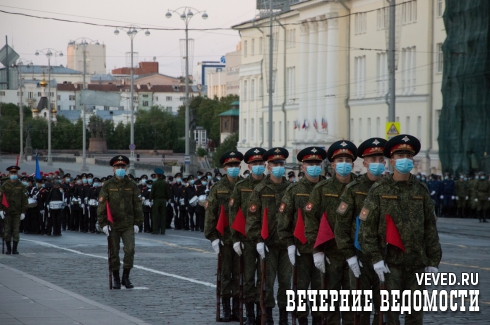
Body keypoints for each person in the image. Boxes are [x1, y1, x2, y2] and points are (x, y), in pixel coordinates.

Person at [360, 134, 442, 324]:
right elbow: (367, 229)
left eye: (408, 155)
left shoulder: (421, 190)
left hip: (417, 264)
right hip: (390, 264)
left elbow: (430, 228)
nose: (404, 160)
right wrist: (376, 258)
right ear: (392, 161)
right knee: (391, 316)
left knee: (415, 315)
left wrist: (433, 260)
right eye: (400, 156)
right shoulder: (379, 190)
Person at [304, 140, 358, 325]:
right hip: (330, 254)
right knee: (330, 303)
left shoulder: (360, 188)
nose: (344, 164)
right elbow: (311, 221)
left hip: (356, 253)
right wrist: (316, 250)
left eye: (347, 160)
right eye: (340, 160)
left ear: (353, 164)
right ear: (333, 165)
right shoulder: (322, 189)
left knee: (353, 304)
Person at [334, 137, 388, 325]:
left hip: (388, 255)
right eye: (373, 160)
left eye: (380, 159)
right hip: (360, 255)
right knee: (359, 307)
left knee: (385, 308)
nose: (377, 163)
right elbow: (341, 226)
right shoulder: (353, 189)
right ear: (364, 163)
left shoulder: (391, 187)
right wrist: (349, 255)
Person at [277, 146, 327, 325]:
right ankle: (301, 319)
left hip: (324, 248)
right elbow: (284, 220)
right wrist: (289, 244)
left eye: (317, 163)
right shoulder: (294, 190)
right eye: (309, 163)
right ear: (303, 166)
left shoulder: (328, 188)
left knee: (321, 289)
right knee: (300, 288)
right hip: (302, 248)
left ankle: (318, 319)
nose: (314, 166)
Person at [246, 147, 291, 325]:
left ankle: (284, 316)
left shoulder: (291, 189)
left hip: (287, 245)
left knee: (287, 284)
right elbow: (252, 219)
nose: (279, 166)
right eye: (275, 163)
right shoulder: (260, 190)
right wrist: (258, 240)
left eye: (281, 163)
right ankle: (268, 315)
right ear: (268, 166)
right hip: (268, 245)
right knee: (267, 282)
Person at [205, 150, 244, 322]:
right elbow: (211, 214)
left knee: (240, 274)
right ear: (224, 168)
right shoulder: (217, 188)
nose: (234, 168)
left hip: (243, 239)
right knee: (226, 274)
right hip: (224, 238)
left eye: (236, 165)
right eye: (230, 166)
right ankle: (226, 309)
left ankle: (238, 308)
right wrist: (212, 236)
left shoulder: (245, 185)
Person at [229, 147, 267, 324]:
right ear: (249, 167)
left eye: (261, 163)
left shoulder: (270, 185)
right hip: (247, 239)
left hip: (268, 240)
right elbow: (233, 214)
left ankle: (262, 312)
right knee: (249, 277)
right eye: (255, 164)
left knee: (265, 277)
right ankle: (250, 312)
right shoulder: (241, 186)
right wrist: (235, 238)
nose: (258, 166)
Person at [97, 155, 143, 289]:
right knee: (114, 253)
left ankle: (126, 277)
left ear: (127, 168)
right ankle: (116, 277)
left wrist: (137, 222)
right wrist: (103, 224)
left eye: (123, 167)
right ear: (113, 169)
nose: (120, 169)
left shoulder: (132, 185)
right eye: (118, 167)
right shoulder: (107, 185)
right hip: (113, 224)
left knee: (130, 250)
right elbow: (102, 206)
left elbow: (137, 205)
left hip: (128, 224)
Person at [0, 166, 28, 254]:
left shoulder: (21, 185)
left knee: (16, 230)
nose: (13, 175)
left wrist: (23, 211)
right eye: (12, 173)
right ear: (9, 174)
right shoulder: (5, 185)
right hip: (7, 211)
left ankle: (15, 249)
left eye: (15, 173)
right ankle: (8, 248)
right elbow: (1, 198)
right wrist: (0, 210)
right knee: (7, 230)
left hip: (17, 211)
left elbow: (24, 199)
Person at [150, 168, 170, 234]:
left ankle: (155, 230)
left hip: (156, 200)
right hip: (163, 200)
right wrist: (167, 199)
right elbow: (167, 192)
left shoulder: (155, 183)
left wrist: (150, 199)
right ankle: (163, 231)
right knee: (163, 216)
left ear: (156, 175)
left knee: (155, 216)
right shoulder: (165, 183)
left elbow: (152, 192)